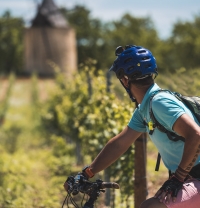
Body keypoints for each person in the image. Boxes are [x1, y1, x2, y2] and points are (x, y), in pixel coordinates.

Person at [64, 45, 200, 208]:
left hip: (193, 177)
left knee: (149, 207)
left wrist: (178, 177)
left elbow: (196, 135)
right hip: (190, 178)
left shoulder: (158, 103)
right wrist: (87, 173)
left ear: (125, 79)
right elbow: (120, 143)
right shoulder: (145, 109)